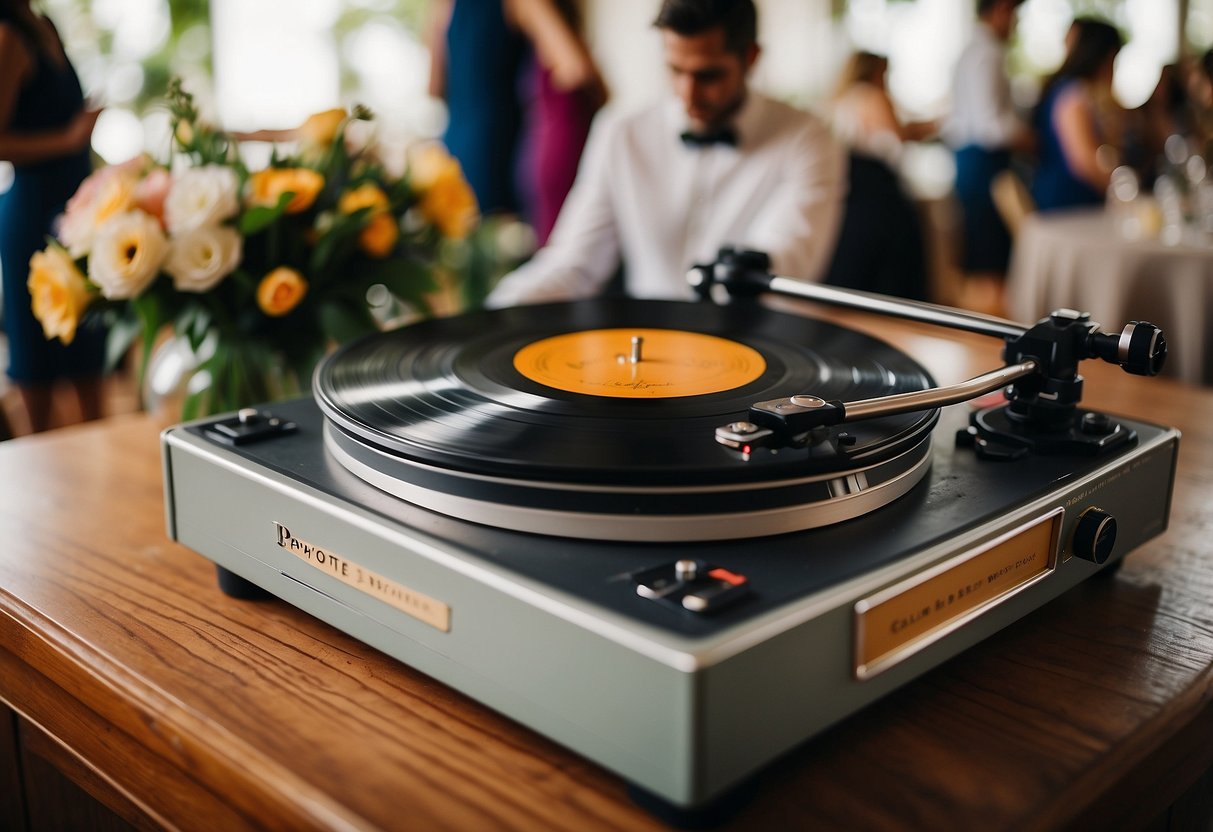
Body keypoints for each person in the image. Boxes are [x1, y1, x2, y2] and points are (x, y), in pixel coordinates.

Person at [488, 0, 845, 306]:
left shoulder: (808, 138)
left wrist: (750, 269)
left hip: (760, 352)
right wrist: (488, 316)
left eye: (708, 76)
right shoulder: (620, 132)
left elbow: (790, 260)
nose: (687, 94)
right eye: (675, 70)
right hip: (646, 360)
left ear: (751, 58)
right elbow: (573, 263)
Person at [0, 0, 103, 433]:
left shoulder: (43, 23)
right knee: (39, 365)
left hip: (74, 208)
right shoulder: (7, 37)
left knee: (88, 354)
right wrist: (68, 138)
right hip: (32, 214)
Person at [427, 0, 603, 219]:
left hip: (453, 148)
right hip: (502, 146)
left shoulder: (445, 6)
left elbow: (433, 88)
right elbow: (575, 69)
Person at [943, 0, 1032, 312]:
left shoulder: (969, 50)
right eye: (1016, 15)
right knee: (989, 256)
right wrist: (1033, 140)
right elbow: (990, 125)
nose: (1017, 24)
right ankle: (989, 331)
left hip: (970, 161)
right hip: (983, 163)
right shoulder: (988, 53)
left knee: (981, 250)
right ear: (1002, 9)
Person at [515, 0, 606, 246]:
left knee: (560, 248)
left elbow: (576, 70)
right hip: (559, 147)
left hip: (560, 150)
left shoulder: (537, 6)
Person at [1030, 18, 1123, 212]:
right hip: (1066, 204)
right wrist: (1125, 193)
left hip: (1062, 199)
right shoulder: (1074, 95)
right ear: (1105, 56)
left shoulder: (1066, 89)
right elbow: (1083, 161)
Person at [829, 50, 935, 168]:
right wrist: (931, 126)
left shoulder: (844, 97)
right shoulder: (872, 96)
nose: (885, 79)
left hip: (848, 168)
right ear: (873, 71)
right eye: (884, 73)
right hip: (873, 170)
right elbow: (900, 135)